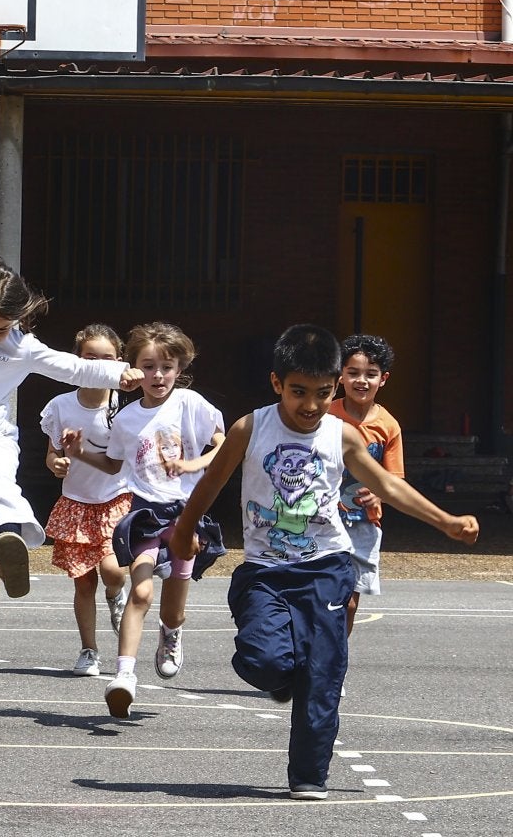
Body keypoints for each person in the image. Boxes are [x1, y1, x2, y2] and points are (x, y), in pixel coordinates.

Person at [168, 324, 478, 801]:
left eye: (320, 393)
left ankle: (309, 774)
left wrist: (446, 522)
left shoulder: (343, 435)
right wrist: (185, 531)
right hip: (265, 570)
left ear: (333, 388)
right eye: (298, 392)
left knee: (324, 671)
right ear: (277, 384)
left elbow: (389, 486)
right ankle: (281, 676)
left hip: (327, 568)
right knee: (264, 662)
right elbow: (211, 483)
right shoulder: (250, 428)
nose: (309, 405)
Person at [0, 224, 143, 611]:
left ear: (15, 321)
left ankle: (7, 536)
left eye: (1, 329)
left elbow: (73, 368)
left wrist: (120, 374)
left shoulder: (23, 348)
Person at [64, 321, 225, 716]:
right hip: (143, 513)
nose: (158, 375)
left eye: (167, 367)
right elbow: (114, 463)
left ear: (179, 367)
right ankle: (124, 677)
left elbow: (224, 447)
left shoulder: (191, 404)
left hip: (185, 518)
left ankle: (171, 633)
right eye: (149, 366)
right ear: (134, 368)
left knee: (172, 609)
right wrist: (80, 452)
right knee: (139, 592)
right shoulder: (127, 418)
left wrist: (193, 463)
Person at [39, 323, 131, 677]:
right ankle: (89, 650)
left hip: (115, 499)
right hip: (76, 502)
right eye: (90, 358)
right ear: (77, 361)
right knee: (83, 582)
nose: (98, 365)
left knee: (111, 571)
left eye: (107, 359)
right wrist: (57, 464)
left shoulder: (125, 408)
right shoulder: (60, 406)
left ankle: (116, 596)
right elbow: (52, 455)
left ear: (120, 364)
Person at [328, 334, 404, 639]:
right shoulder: (326, 415)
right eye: (354, 373)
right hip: (321, 519)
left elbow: (395, 477)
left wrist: (378, 491)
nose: (362, 381)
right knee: (318, 597)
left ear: (382, 379)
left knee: (348, 603)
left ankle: (335, 665)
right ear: (340, 376)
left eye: (370, 374)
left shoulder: (388, 425)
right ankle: (304, 659)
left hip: (362, 525)